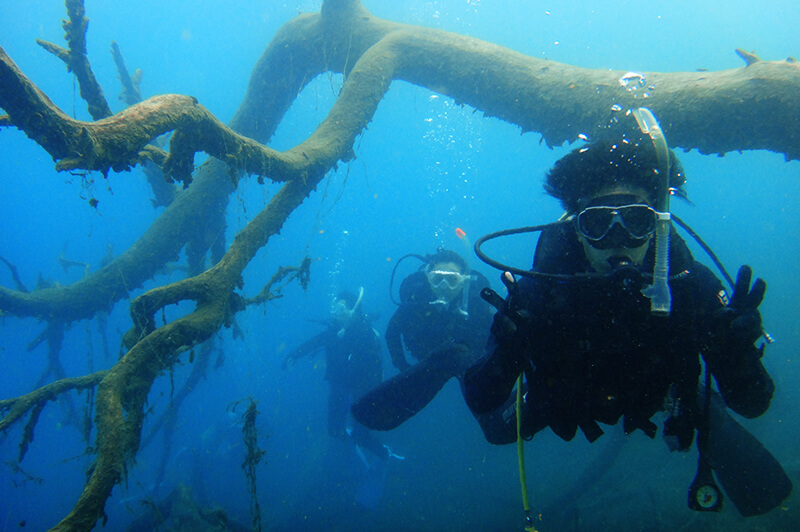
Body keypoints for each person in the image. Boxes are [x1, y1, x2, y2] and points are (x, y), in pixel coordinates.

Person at [463, 115, 790, 515]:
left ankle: (702, 411)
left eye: (636, 221)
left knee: (704, 406)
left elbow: (754, 403)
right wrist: (505, 352)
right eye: (599, 223)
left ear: (657, 226)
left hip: (659, 391)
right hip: (564, 396)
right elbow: (481, 399)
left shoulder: (690, 286)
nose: (618, 240)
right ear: (578, 229)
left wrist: (735, 355)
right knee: (497, 432)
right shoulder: (538, 293)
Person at [351, 249, 494, 430]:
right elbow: (392, 333)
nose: (444, 286)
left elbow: (492, 335)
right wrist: (402, 365)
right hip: (428, 358)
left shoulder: (476, 303)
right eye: (437, 279)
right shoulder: (415, 301)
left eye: (452, 280)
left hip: (469, 359)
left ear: (464, 282)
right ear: (428, 278)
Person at [282, 288, 397, 462]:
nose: (336, 313)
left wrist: (349, 335)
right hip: (339, 384)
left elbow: (372, 362)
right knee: (334, 430)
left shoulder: (363, 331)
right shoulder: (332, 331)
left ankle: (384, 454)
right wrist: (293, 355)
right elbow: (313, 343)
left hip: (362, 387)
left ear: (352, 311)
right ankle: (351, 448)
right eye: (335, 308)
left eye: (341, 309)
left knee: (362, 433)